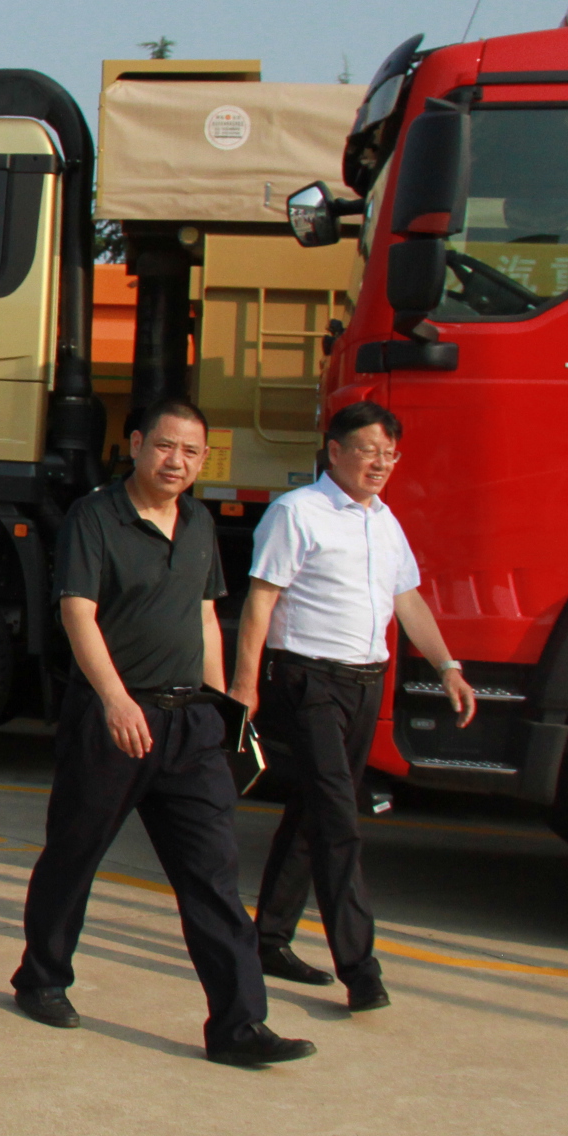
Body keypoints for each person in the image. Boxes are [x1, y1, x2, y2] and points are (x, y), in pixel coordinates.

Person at [12, 397, 314, 1068]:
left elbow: (205, 617)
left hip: (190, 726)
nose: (177, 461)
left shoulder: (199, 522)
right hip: (114, 720)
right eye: (165, 446)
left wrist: (225, 710)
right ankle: (42, 978)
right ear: (137, 445)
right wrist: (115, 701)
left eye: (191, 452)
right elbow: (77, 614)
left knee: (213, 875)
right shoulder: (96, 516)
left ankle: (239, 1025)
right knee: (74, 854)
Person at [235, 401, 475, 1012]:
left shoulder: (384, 520)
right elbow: (261, 598)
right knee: (340, 820)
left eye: (390, 454)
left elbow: (408, 600)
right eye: (369, 450)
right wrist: (244, 686)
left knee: (314, 810)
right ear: (335, 451)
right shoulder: (297, 512)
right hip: (308, 681)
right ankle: (360, 970)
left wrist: (447, 667)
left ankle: (268, 939)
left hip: (366, 683)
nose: (381, 463)